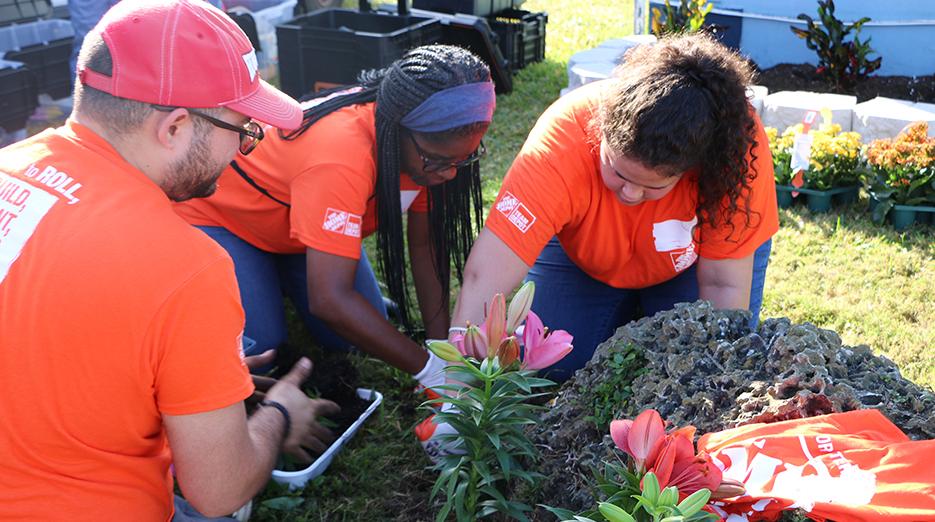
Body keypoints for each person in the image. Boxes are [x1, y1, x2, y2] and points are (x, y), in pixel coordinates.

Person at [0, 1, 338, 520]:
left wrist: (187, 373)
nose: (241, 151)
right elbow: (219, 489)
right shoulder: (188, 266)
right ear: (176, 126)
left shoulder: (10, 166)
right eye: (243, 129)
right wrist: (277, 414)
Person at [450, 33, 778, 381]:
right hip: (582, 259)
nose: (630, 195)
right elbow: (485, 276)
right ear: (600, 129)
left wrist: (709, 386)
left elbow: (723, 287)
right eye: (617, 172)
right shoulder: (563, 140)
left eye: (655, 186)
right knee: (548, 365)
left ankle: (636, 312)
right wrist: (454, 386)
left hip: (693, 263)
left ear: (693, 168)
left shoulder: (734, 153)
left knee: (679, 366)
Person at [173, 45, 495, 393]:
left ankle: (276, 278)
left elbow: (426, 245)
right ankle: (264, 276)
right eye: (438, 162)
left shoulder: (436, 151)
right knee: (265, 352)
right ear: (396, 132)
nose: (449, 174)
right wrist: (427, 370)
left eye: (462, 160)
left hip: (298, 234)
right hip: (225, 220)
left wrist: (440, 349)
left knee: (354, 338)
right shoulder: (341, 157)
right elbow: (329, 299)